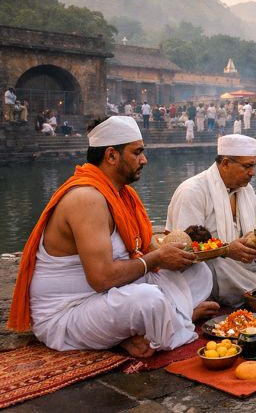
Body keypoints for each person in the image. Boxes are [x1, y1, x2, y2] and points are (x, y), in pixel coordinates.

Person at [8, 116, 217, 356]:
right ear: (111, 156)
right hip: (69, 312)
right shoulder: (87, 198)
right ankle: (176, 318)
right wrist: (158, 259)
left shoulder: (123, 195)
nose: (144, 160)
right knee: (148, 300)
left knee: (199, 273)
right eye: (137, 153)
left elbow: (145, 251)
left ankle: (158, 322)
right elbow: (102, 278)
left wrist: (173, 255)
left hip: (109, 296)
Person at [165, 135, 256, 307]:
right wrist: (227, 250)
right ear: (225, 163)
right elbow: (185, 250)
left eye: (253, 166)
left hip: (245, 260)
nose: (252, 172)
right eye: (247, 166)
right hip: (217, 264)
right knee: (216, 267)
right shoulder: (192, 191)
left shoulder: (246, 190)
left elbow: (255, 228)